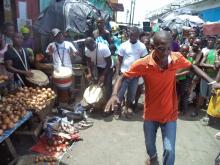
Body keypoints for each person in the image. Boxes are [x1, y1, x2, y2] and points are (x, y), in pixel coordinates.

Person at [104, 30, 220, 165]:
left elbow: (192, 67)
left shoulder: (176, 58)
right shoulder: (143, 64)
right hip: (150, 115)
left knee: (170, 151)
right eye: (161, 49)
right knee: (149, 145)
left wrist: (212, 82)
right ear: (152, 47)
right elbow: (122, 76)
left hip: (169, 115)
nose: (165, 53)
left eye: (168, 48)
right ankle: (153, 159)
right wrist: (113, 95)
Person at [116, 26, 148, 118]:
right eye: (131, 34)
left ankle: (126, 109)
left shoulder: (141, 46)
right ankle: (118, 110)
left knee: (131, 94)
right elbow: (119, 59)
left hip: (135, 75)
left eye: (134, 35)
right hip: (124, 74)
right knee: (120, 93)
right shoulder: (123, 45)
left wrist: (140, 73)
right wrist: (118, 72)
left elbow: (144, 61)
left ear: (138, 36)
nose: (132, 36)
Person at [84, 37, 112, 107]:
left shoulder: (103, 48)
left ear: (94, 43)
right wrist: (90, 73)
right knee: (96, 83)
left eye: (91, 47)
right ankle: (97, 102)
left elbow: (109, 63)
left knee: (107, 85)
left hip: (107, 67)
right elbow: (88, 62)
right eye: (88, 47)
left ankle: (108, 104)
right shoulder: (87, 50)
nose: (90, 49)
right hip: (97, 67)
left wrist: (103, 75)